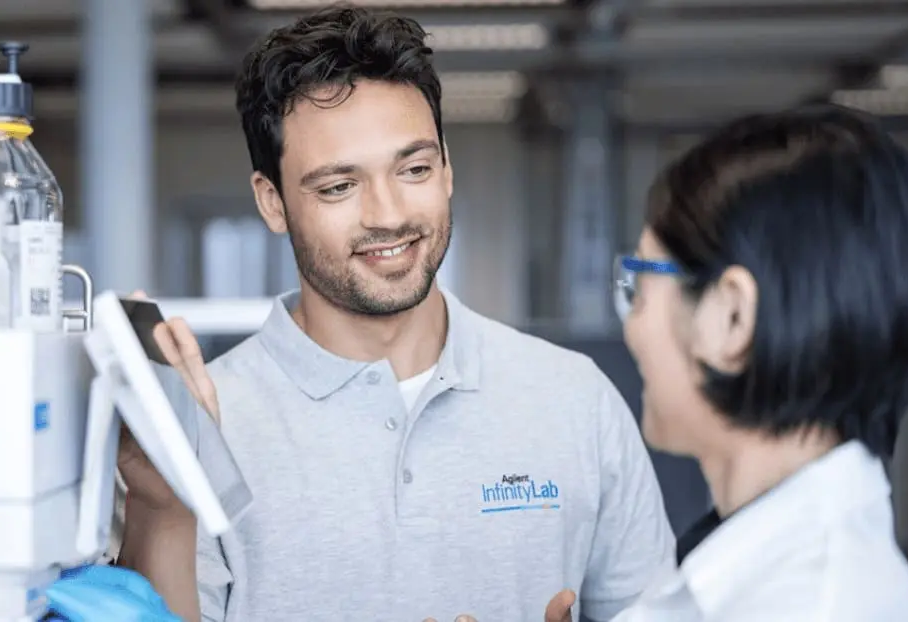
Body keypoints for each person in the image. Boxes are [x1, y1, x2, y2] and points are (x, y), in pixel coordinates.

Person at [113, 6, 675, 622]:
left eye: (414, 169)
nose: (388, 215)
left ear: (447, 169)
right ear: (272, 203)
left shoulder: (574, 399)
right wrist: (160, 506)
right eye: (338, 187)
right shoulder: (202, 426)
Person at [536, 104, 908, 621]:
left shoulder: (818, 606)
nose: (632, 327)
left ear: (732, 317)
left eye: (640, 287)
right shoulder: (766, 564)